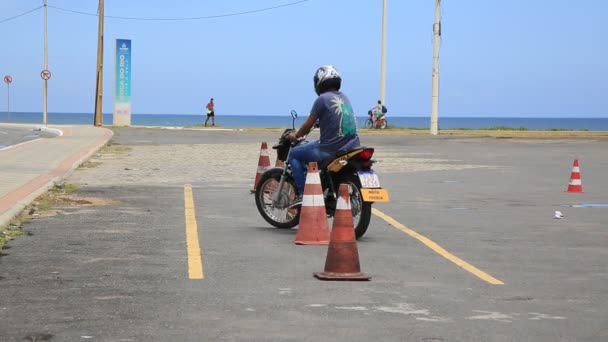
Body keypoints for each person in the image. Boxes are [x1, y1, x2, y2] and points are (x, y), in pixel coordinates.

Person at [287, 65, 360, 202]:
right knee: (314, 146)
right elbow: (337, 118)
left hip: (331, 150)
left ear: (319, 82)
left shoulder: (322, 99)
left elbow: (307, 125)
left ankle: (305, 195)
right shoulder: (344, 97)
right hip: (352, 147)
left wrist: (295, 136)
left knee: (295, 154)